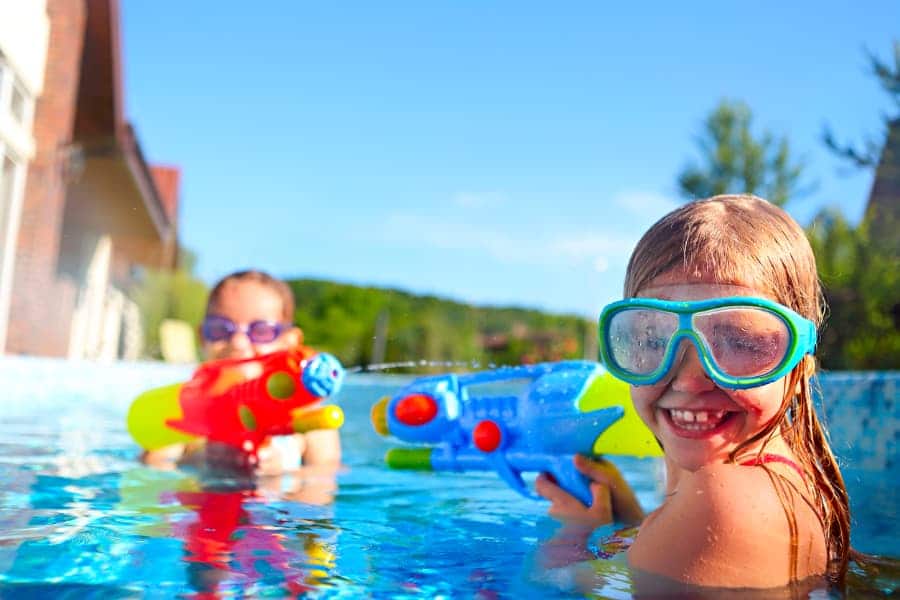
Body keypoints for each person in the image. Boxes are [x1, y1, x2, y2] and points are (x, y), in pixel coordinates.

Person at [535, 195, 851, 591]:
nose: (688, 379)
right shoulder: (784, 479)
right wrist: (629, 522)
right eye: (653, 338)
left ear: (800, 360)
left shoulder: (723, 504)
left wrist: (574, 535)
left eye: (739, 341)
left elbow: (562, 586)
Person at [141, 270, 342, 474]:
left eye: (261, 331)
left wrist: (282, 472)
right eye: (220, 329)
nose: (238, 343)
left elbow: (324, 482)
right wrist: (201, 459)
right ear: (202, 337)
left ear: (289, 342)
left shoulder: (308, 417)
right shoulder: (188, 407)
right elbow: (153, 464)